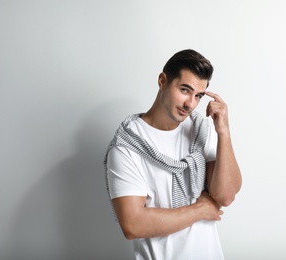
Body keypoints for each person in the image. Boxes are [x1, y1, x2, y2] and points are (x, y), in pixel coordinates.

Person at [104, 49, 242, 260]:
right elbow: (132, 224)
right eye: (184, 90)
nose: (190, 104)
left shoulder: (201, 130)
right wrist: (200, 210)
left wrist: (223, 131)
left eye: (198, 96)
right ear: (162, 81)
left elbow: (225, 195)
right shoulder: (126, 146)